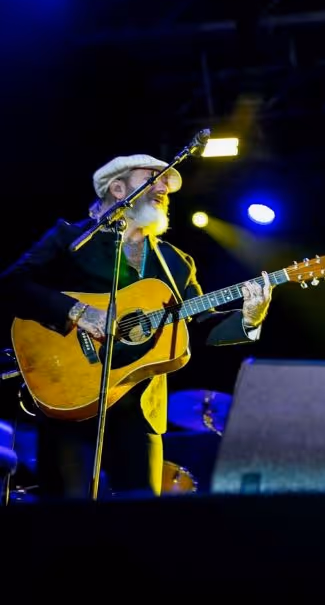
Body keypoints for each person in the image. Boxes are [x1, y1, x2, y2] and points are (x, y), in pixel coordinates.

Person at [0, 154, 273, 499]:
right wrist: (77, 311)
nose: (163, 188)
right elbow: (12, 284)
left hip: (140, 410)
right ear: (118, 188)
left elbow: (201, 324)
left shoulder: (175, 261)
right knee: (67, 515)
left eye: (166, 183)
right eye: (152, 178)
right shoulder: (70, 239)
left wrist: (250, 318)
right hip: (69, 397)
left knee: (141, 518)